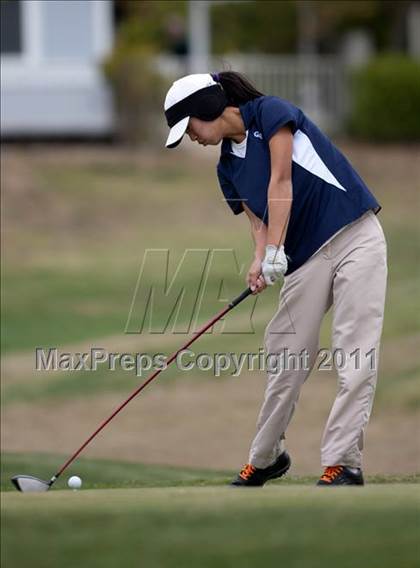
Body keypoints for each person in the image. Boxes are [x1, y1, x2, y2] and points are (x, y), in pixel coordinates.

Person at [163, 71, 387, 486]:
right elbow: (258, 222)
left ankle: (344, 461)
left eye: (189, 126)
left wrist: (274, 251)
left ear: (208, 107)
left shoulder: (270, 113)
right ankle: (265, 458)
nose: (191, 137)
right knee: (285, 352)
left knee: (353, 350)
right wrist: (259, 257)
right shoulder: (226, 169)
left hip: (355, 235)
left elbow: (280, 183)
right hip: (305, 260)